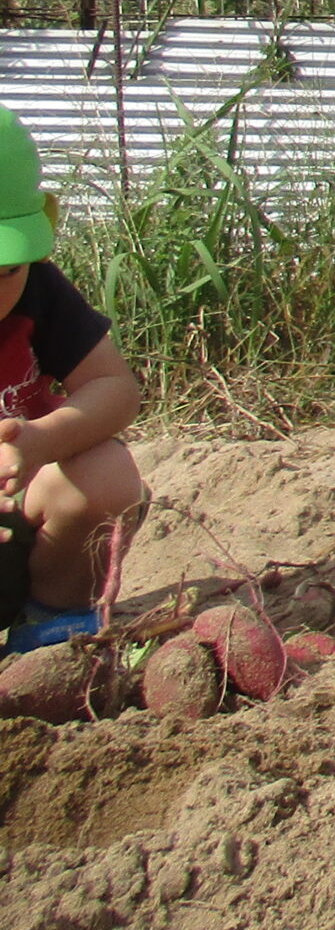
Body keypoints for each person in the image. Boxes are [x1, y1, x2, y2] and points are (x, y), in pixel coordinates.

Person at [0, 106, 146, 650]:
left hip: (22, 527)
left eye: (6, 271)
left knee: (106, 470)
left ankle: (48, 628)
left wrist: (41, 440)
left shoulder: (38, 290)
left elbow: (114, 389)